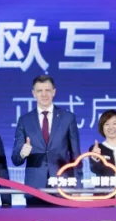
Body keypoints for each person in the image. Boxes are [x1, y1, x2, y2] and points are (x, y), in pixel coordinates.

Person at [11, 74, 81, 206]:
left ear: (54, 92)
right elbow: (16, 159)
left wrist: (77, 187)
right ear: (33, 93)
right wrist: (22, 153)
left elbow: (75, 155)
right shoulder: (24, 120)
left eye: (47, 90)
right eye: (39, 91)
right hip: (34, 188)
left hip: (62, 186)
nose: (44, 94)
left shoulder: (68, 118)